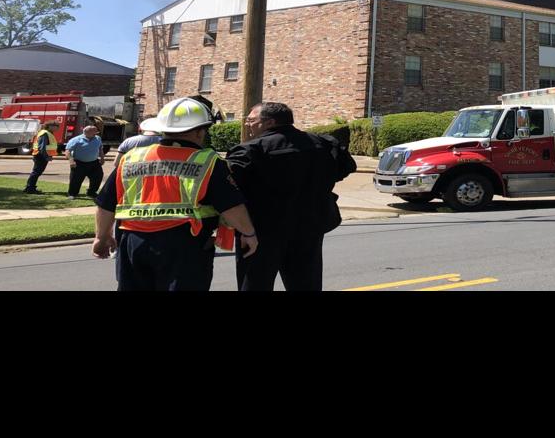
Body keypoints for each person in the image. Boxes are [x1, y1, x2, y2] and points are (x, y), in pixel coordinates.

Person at [91, 97, 260, 291]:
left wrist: (101, 237)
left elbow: (105, 203)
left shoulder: (132, 158)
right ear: (199, 131)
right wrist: (249, 233)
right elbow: (231, 205)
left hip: (133, 242)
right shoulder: (208, 162)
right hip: (184, 244)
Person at [225, 101, 357, 292]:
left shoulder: (250, 151)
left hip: (261, 234)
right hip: (309, 230)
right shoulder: (323, 144)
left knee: (254, 285)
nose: (247, 124)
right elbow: (346, 168)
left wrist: (244, 230)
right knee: (306, 285)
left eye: (251, 120)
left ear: (269, 122)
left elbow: (230, 189)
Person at [65, 125, 105, 198]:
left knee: (98, 176)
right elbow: (67, 151)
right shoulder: (76, 140)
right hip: (79, 163)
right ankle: (72, 194)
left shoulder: (98, 138)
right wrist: (71, 160)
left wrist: (102, 158)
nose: (96, 133)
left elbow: (100, 149)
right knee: (76, 179)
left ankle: (91, 193)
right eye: (95, 132)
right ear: (87, 132)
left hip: (94, 162)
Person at [23, 122, 56, 193]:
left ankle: (29, 187)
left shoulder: (45, 133)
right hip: (40, 155)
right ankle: (30, 188)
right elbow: (42, 147)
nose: (57, 128)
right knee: (36, 172)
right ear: (50, 126)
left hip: (39, 155)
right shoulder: (45, 133)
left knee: (36, 172)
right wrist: (46, 157)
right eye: (56, 126)